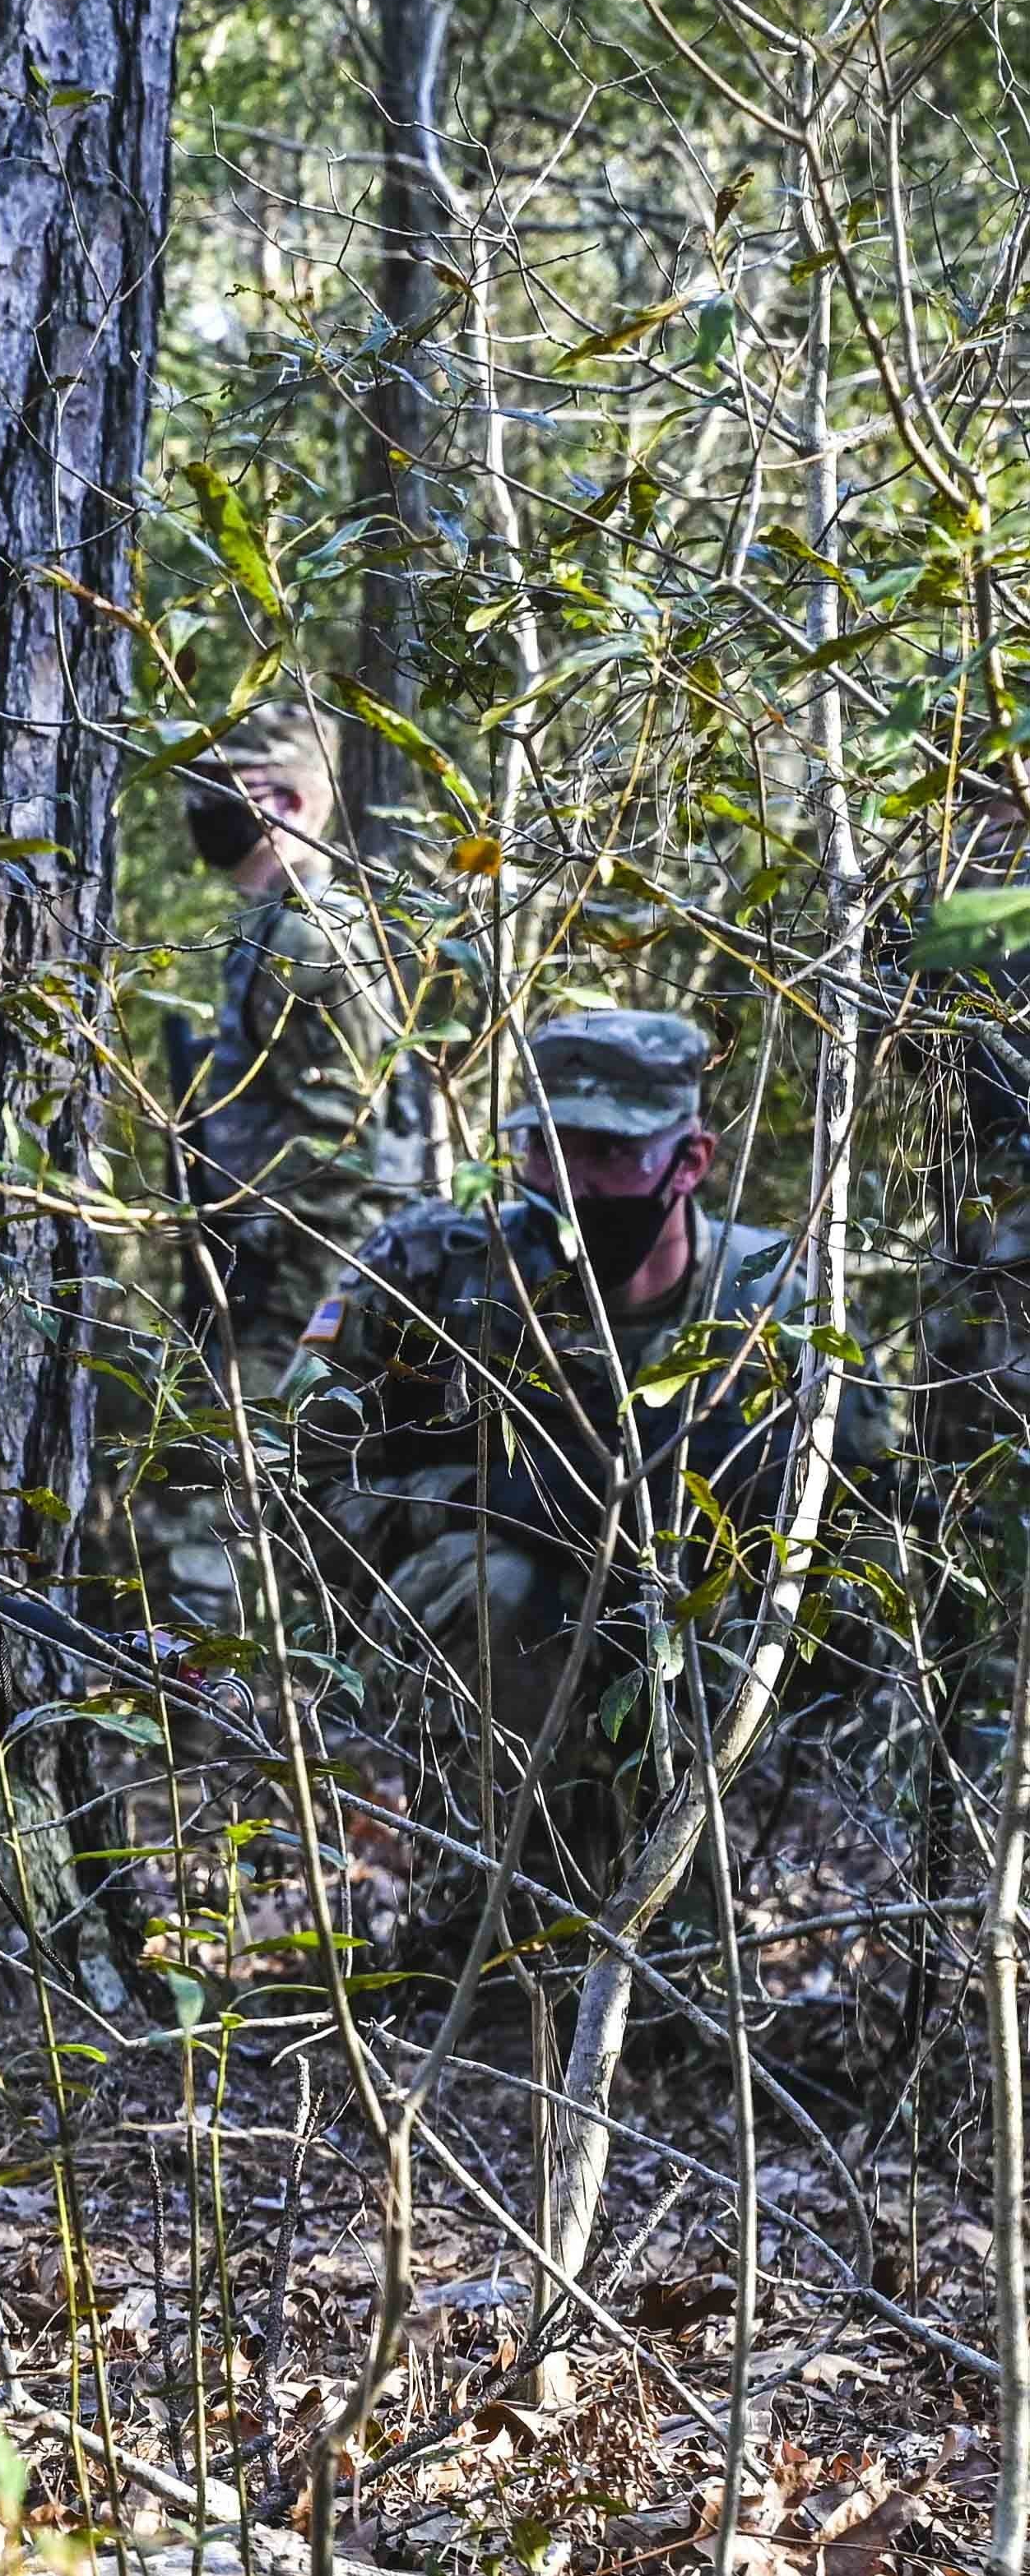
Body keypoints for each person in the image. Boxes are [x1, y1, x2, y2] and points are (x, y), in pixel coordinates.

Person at [289, 1010, 875, 1859]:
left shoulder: (776, 1306)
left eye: (607, 1153)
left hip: (699, 1661)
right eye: (546, 1148)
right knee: (503, 1583)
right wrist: (490, 1502)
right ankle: (483, 1912)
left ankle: (680, 1909)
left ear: (691, 1161)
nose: (568, 1182)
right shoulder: (436, 1268)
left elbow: (863, 1546)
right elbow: (283, 1473)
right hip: (468, 1641)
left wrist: (749, 1536)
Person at [137, 707, 410, 1634]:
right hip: (262, 1262)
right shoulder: (271, 930)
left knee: (214, 1495)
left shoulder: (307, 940)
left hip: (296, 1277)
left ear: (289, 801)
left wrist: (282, 1296)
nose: (194, 805)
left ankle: (212, 1725)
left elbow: (344, 1148)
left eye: (220, 789)